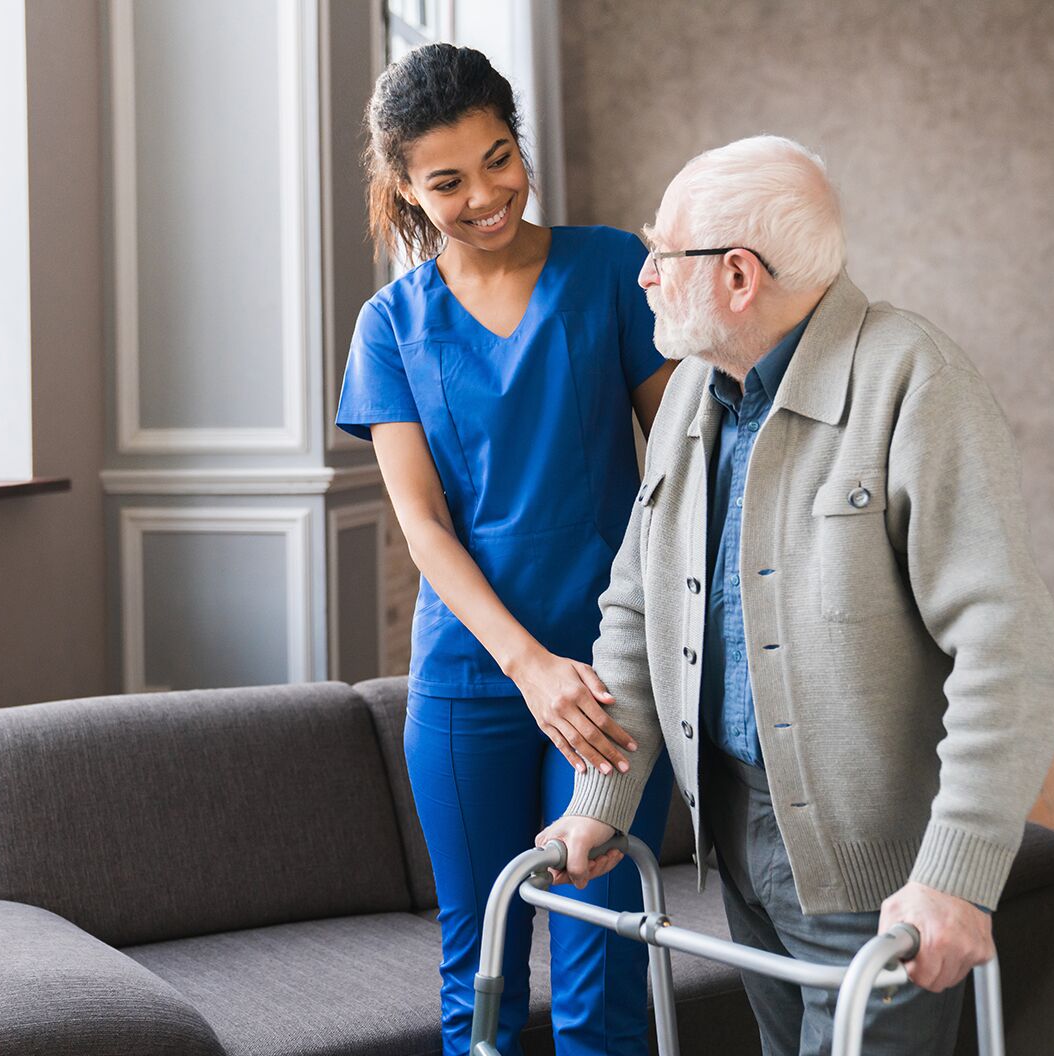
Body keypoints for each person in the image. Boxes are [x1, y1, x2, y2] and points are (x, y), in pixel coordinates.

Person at [537, 135, 1054, 1055]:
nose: (645, 278)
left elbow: (1010, 649)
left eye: (661, 255)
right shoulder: (692, 398)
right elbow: (638, 606)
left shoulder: (913, 380)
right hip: (736, 846)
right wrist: (602, 797)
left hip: (882, 876)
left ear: (739, 276)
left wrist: (956, 876)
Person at [335, 42, 677, 1056]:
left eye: (498, 158)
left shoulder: (612, 268)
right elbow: (423, 527)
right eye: (447, 180)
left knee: (601, 969)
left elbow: (677, 474)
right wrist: (527, 668)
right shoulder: (389, 325)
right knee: (476, 970)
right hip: (469, 681)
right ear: (403, 185)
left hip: (611, 679)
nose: (485, 194)